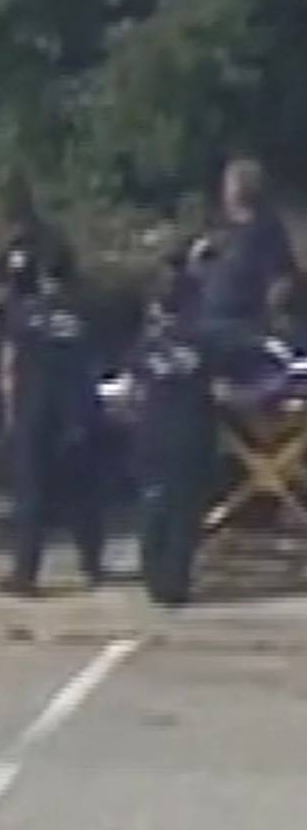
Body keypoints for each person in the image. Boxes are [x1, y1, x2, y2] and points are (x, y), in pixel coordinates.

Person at [0, 257, 106, 597]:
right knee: (81, 492)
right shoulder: (85, 315)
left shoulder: (24, 314)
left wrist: (9, 413)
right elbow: (96, 363)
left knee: (30, 494)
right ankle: (92, 562)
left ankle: (25, 572)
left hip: (34, 411)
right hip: (76, 412)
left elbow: (9, 366)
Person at [124, 280, 222, 608]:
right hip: (192, 433)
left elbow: (133, 386)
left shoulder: (147, 344)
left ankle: (152, 576)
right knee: (184, 513)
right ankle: (175, 584)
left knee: (153, 506)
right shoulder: (207, 342)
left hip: (153, 432)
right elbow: (222, 385)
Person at [0, 176, 75, 421]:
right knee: (13, 392)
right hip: (14, 325)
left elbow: (67, 277)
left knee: (43, 393)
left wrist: (54, 296)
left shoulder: (50, 238)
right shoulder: (2, 241)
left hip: (46, 324)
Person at [188, 157, 297, 363]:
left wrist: (270, 316)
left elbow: (282, 277)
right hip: (208, 319)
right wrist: (198, 258)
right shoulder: (223, 229)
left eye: (231, 182)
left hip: (244, 324)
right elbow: (201, 273)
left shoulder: (266, 229)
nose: (226, 189)